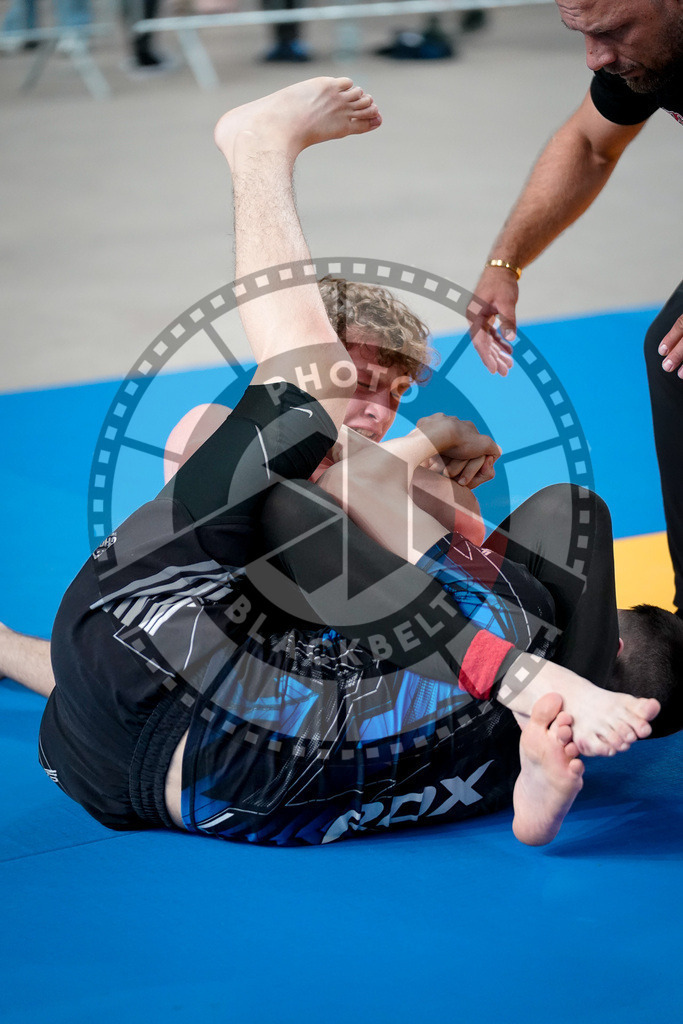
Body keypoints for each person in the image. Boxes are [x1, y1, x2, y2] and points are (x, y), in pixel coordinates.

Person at [6, 79, 662, 850]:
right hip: (181, 748)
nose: (374, 406)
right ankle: (534, 690)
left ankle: (258, 150)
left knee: (305, 502)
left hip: (143, 756)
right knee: (289, 461)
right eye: (360, 379)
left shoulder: (403, 502)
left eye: (394, 394)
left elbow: (445, 565)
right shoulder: (241, 443)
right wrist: (421, 445)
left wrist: (417, 454)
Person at [468, 0, 683, 616]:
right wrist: (506, 261)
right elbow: (590, 144)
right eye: (582, 33)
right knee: (673, 355)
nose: (595, 58)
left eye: (613, 31)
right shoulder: (651, 54)